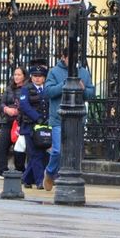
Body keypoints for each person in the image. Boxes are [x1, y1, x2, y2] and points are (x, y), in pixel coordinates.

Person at [42, 46, 96, 190]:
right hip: (59, 117)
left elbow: (91, 93)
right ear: (63, 57)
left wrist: (84, 89)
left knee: (74, 151)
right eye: (69, 59)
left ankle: (64, 177)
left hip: (77, 119)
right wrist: (64, 85)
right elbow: (48, 92)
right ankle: (50, 172)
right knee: (58, 150)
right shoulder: (54, 72)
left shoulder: (83, 72)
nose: (73, 62)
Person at [0, 66, 27, 179]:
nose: (16, 77)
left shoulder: (27, 88)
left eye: (19, 75)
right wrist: (6, 109)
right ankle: (2, 170)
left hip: (21, 121)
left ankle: (20, 170)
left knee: (19, 147)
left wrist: (18, 111)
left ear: (24, 76)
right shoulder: (9, 88)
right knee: (1, 145)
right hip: (9, 121)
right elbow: (1, 103)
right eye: (15, 74)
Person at [19, 64, 51, 189]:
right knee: (35, 154)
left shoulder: (46, 89)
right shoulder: (26, 88)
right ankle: (39, 181)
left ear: (44, 78)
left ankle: (26, 178)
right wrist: (37, 117)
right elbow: (24, 105)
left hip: (43, 126)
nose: (37, 79)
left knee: (41, 154)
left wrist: (47, 119)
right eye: (35, 76)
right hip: (29, 126)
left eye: (40, 76)